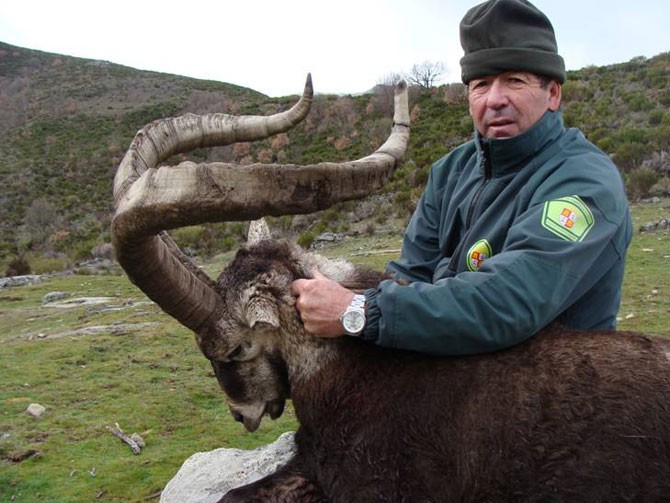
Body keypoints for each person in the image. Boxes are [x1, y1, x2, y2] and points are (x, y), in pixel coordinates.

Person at [291, 0, 632, 356]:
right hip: (461, 377)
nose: (495, 99)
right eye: (481, 84)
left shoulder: (585, 182)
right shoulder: (450, 171)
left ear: (553, 94)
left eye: (515, 81)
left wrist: (358, 311)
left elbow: (509, 302)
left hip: (560, 382)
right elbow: (409, 276)